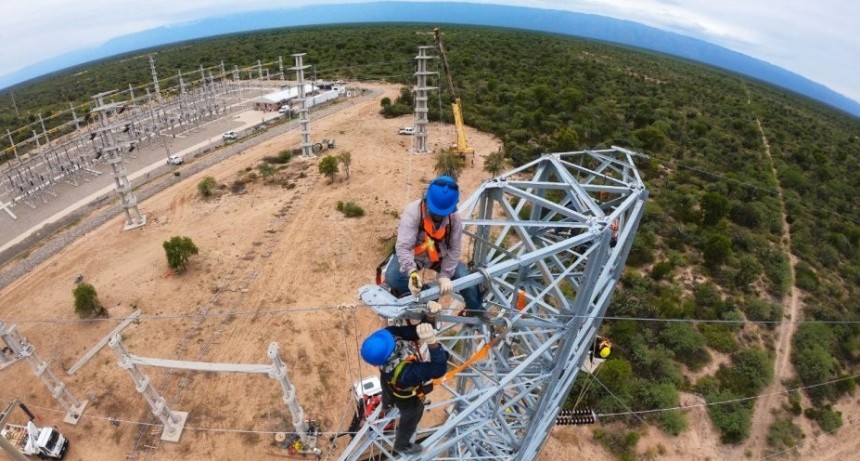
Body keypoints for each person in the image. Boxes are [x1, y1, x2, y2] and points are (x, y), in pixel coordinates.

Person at [385, 175, 484, 319]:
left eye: (442, 213)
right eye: (435, 211)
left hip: (440, 256)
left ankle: (476, 311)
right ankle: (427, 296)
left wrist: (445, 276)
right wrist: (412, 272)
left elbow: (454, 249)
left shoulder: (453, 219)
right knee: (393, 277)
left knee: (466, 281)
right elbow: (403, 247)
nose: (438, 216)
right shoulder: (413, 212)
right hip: (416, 255)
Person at [360, 308, 449, 455]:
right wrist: (433, 344)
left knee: (387, 388)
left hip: (390, 379)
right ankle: (401, 445)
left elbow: (415, 331)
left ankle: (387, 404)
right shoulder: (405, 373)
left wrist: (430, 318)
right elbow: (438, 369)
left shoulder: (388, 337)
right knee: (411, 416)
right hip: (406, 398)